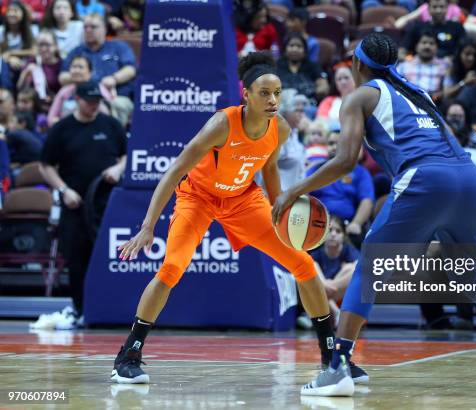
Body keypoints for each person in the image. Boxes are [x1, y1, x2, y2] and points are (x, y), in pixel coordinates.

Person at [272, 33, 476, 397]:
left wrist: (294, 189)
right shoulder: (418, 93)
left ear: (358, 64)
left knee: (369, 267)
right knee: (467, 271)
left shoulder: (359, 96)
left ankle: (338, 365)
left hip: (425, 176)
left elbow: (346, 160)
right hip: (469, 176)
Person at [111, 53, 365, 384]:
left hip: (243, 200)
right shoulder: (222, 124)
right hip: (197, 198)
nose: (273, 100)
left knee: (302, 265)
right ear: (246, 94)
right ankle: (129, 354)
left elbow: (270, 167)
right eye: (264, 93)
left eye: (277, 93)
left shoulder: (281, 128)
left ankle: (332, 358)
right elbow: (174, 172)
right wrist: (147, 227)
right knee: (171, 269)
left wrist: (280, 209)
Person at [38, 80, 127, 329]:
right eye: (89, 102)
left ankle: (110, 310)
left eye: (97, 101)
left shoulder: (111, 125)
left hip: (106, 206)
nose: (94, 106)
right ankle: (80, 310)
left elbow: (126, 154)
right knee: (77, 260)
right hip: (75, 205)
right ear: (77, 100)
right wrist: (64, 190)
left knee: (109, 258)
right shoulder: (63, 129)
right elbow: (45, 166)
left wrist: (118, 168)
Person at [310, 215, 359, 327]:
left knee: (351, 268)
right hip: (321, 298)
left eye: (338, 231)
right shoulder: (317, 253)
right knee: (312, 265)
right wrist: (323, 283)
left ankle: (322, 312)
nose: (333, 234)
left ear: (343, 236)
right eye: (330, 230)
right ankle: (337, 312)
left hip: (337, 296)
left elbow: (359, 267)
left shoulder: (347, 250)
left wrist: (328, 285)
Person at [397, 0, 466, 59]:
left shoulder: (457, 27)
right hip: (419, 67)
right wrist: (408, 62)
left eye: (442, 7)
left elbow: (464, 50)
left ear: (447, 8)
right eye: (434, 7)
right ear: (428, 9)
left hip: (448, 67)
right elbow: (402, 50)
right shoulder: (417, 27)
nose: (438, 10)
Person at [397, 30, 449, 99]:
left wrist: (438, 96)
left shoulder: (444, 66)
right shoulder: (403, 66)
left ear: (437, 48)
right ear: (416, 46)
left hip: (434, 103)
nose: (427, 46)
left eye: (431, 43)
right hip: (408, 102)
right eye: (424, 43)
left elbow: (447, 91)